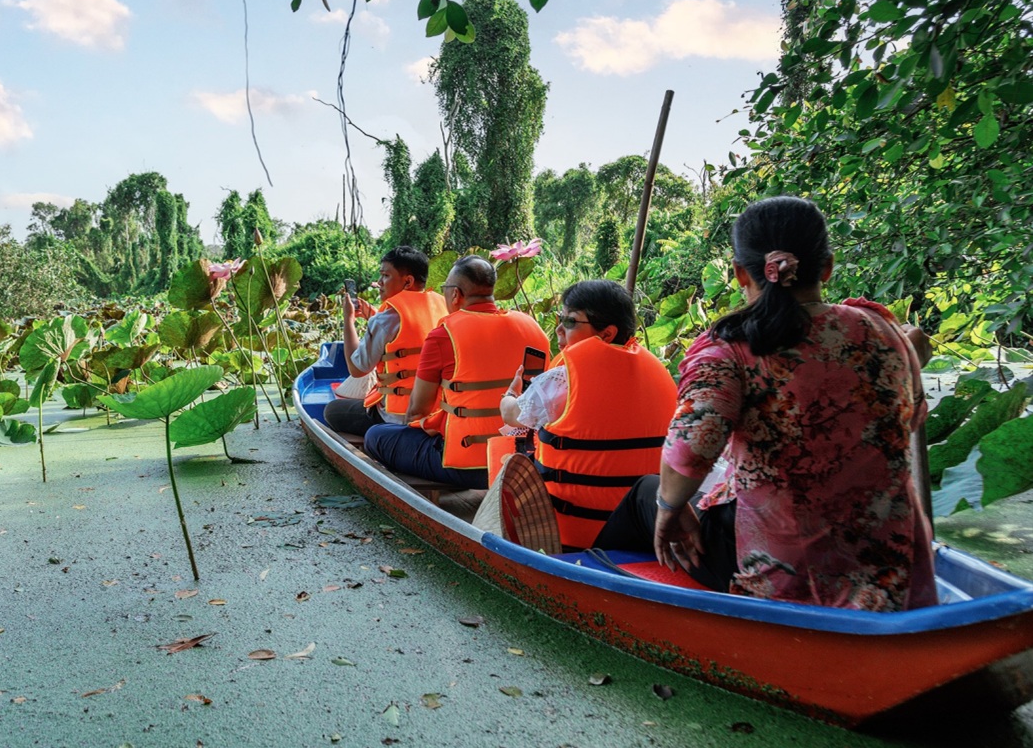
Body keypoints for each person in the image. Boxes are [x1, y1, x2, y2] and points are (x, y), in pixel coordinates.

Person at [600, 196, 937, 611]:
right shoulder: (884, 330)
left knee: (645, 494)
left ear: (740, 273)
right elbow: (911, 416)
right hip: (892, 569)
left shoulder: (730, 349)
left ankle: (593, 592)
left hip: (786, 574)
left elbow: (688, 455)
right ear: (827, 268)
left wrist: (669, 509)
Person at [498, 280, 677, 551]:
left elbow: (511, 415)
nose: (559, 329)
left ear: (607, 333)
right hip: (643, 525)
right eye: (560, 319)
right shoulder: (658, 372)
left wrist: (509, 395)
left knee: (506, 452)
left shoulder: (562, 380)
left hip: (577, 532)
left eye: (570, 321)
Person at [364, 256, 550, 489]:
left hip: (467, 466)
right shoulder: (534, 328)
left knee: (376, 436)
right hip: (522, 461)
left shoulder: (444, 335)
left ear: (455, 294)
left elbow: (416, 411)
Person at [323, 246, 446, 437]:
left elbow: (357, 369)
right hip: (437, 413)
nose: (379, 282)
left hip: (396, 417)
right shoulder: (443, 305)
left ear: (408, 281)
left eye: (385, 276)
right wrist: (374, 316)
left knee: (332, 411)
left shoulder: (384, 320)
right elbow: (413, 330)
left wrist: (348, 321)